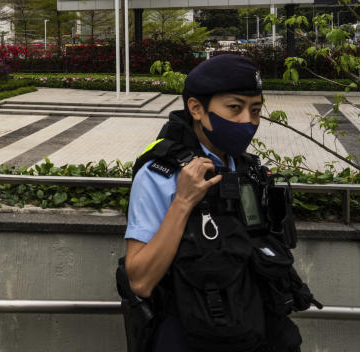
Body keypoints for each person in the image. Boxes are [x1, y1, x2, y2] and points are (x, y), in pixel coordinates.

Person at [117, 54, 319, 352]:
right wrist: (184, 201)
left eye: (256, 110)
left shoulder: (245, 166)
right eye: (234, 108)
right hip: (191, 333)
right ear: (197, 108)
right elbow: (140, 281)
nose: (247, 121)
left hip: (255, 330)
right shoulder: (161, 173)